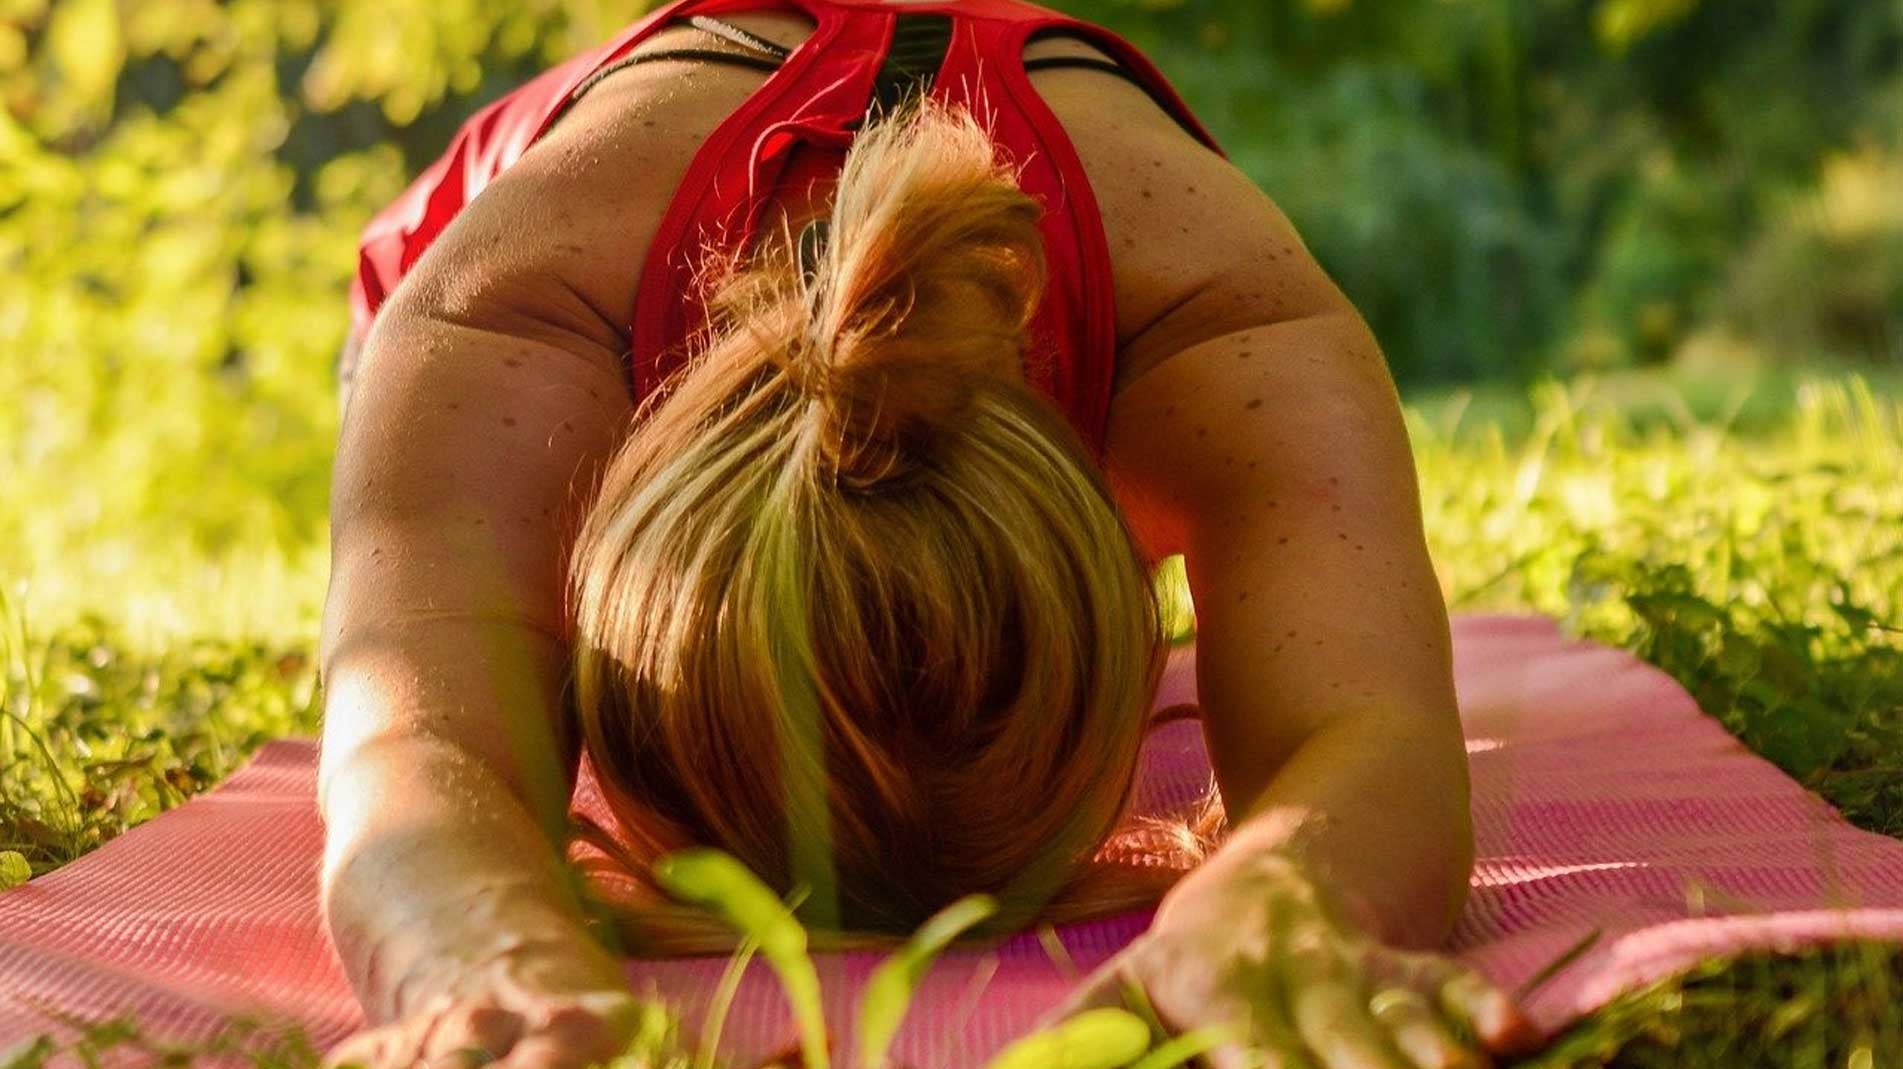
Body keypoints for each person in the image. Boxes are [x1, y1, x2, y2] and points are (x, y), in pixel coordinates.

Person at [317, 1, 1544, 1067]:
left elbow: (1369, 734)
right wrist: (478, 950)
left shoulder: (1221, 320)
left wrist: (1293, 901)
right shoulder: (509, 317)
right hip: (515, 255)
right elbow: (411, 750)